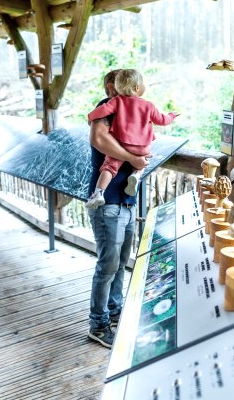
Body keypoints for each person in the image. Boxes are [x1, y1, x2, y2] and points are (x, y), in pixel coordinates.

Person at [86, 69, 149, 348]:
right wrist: (133, 159)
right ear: (110, 86)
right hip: (107, 200)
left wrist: (139, 158)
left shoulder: (130, 112)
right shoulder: (104, 108)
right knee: (108, 264)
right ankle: (98, 324)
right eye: (117, 84)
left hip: (125, 201)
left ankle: (115, 311)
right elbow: (98, 139)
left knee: (121, 262)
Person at [85, 68, 179, 209]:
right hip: (111, 202)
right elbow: (162, 120)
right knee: (141, 161)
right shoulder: (144, 104)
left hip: (126, 200)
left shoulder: (117, 103)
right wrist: (171, 116)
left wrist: (90, 116)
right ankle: (136, 174)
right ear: (111, 87)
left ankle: (99, 193)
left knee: (110, 167)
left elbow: (100, 113)